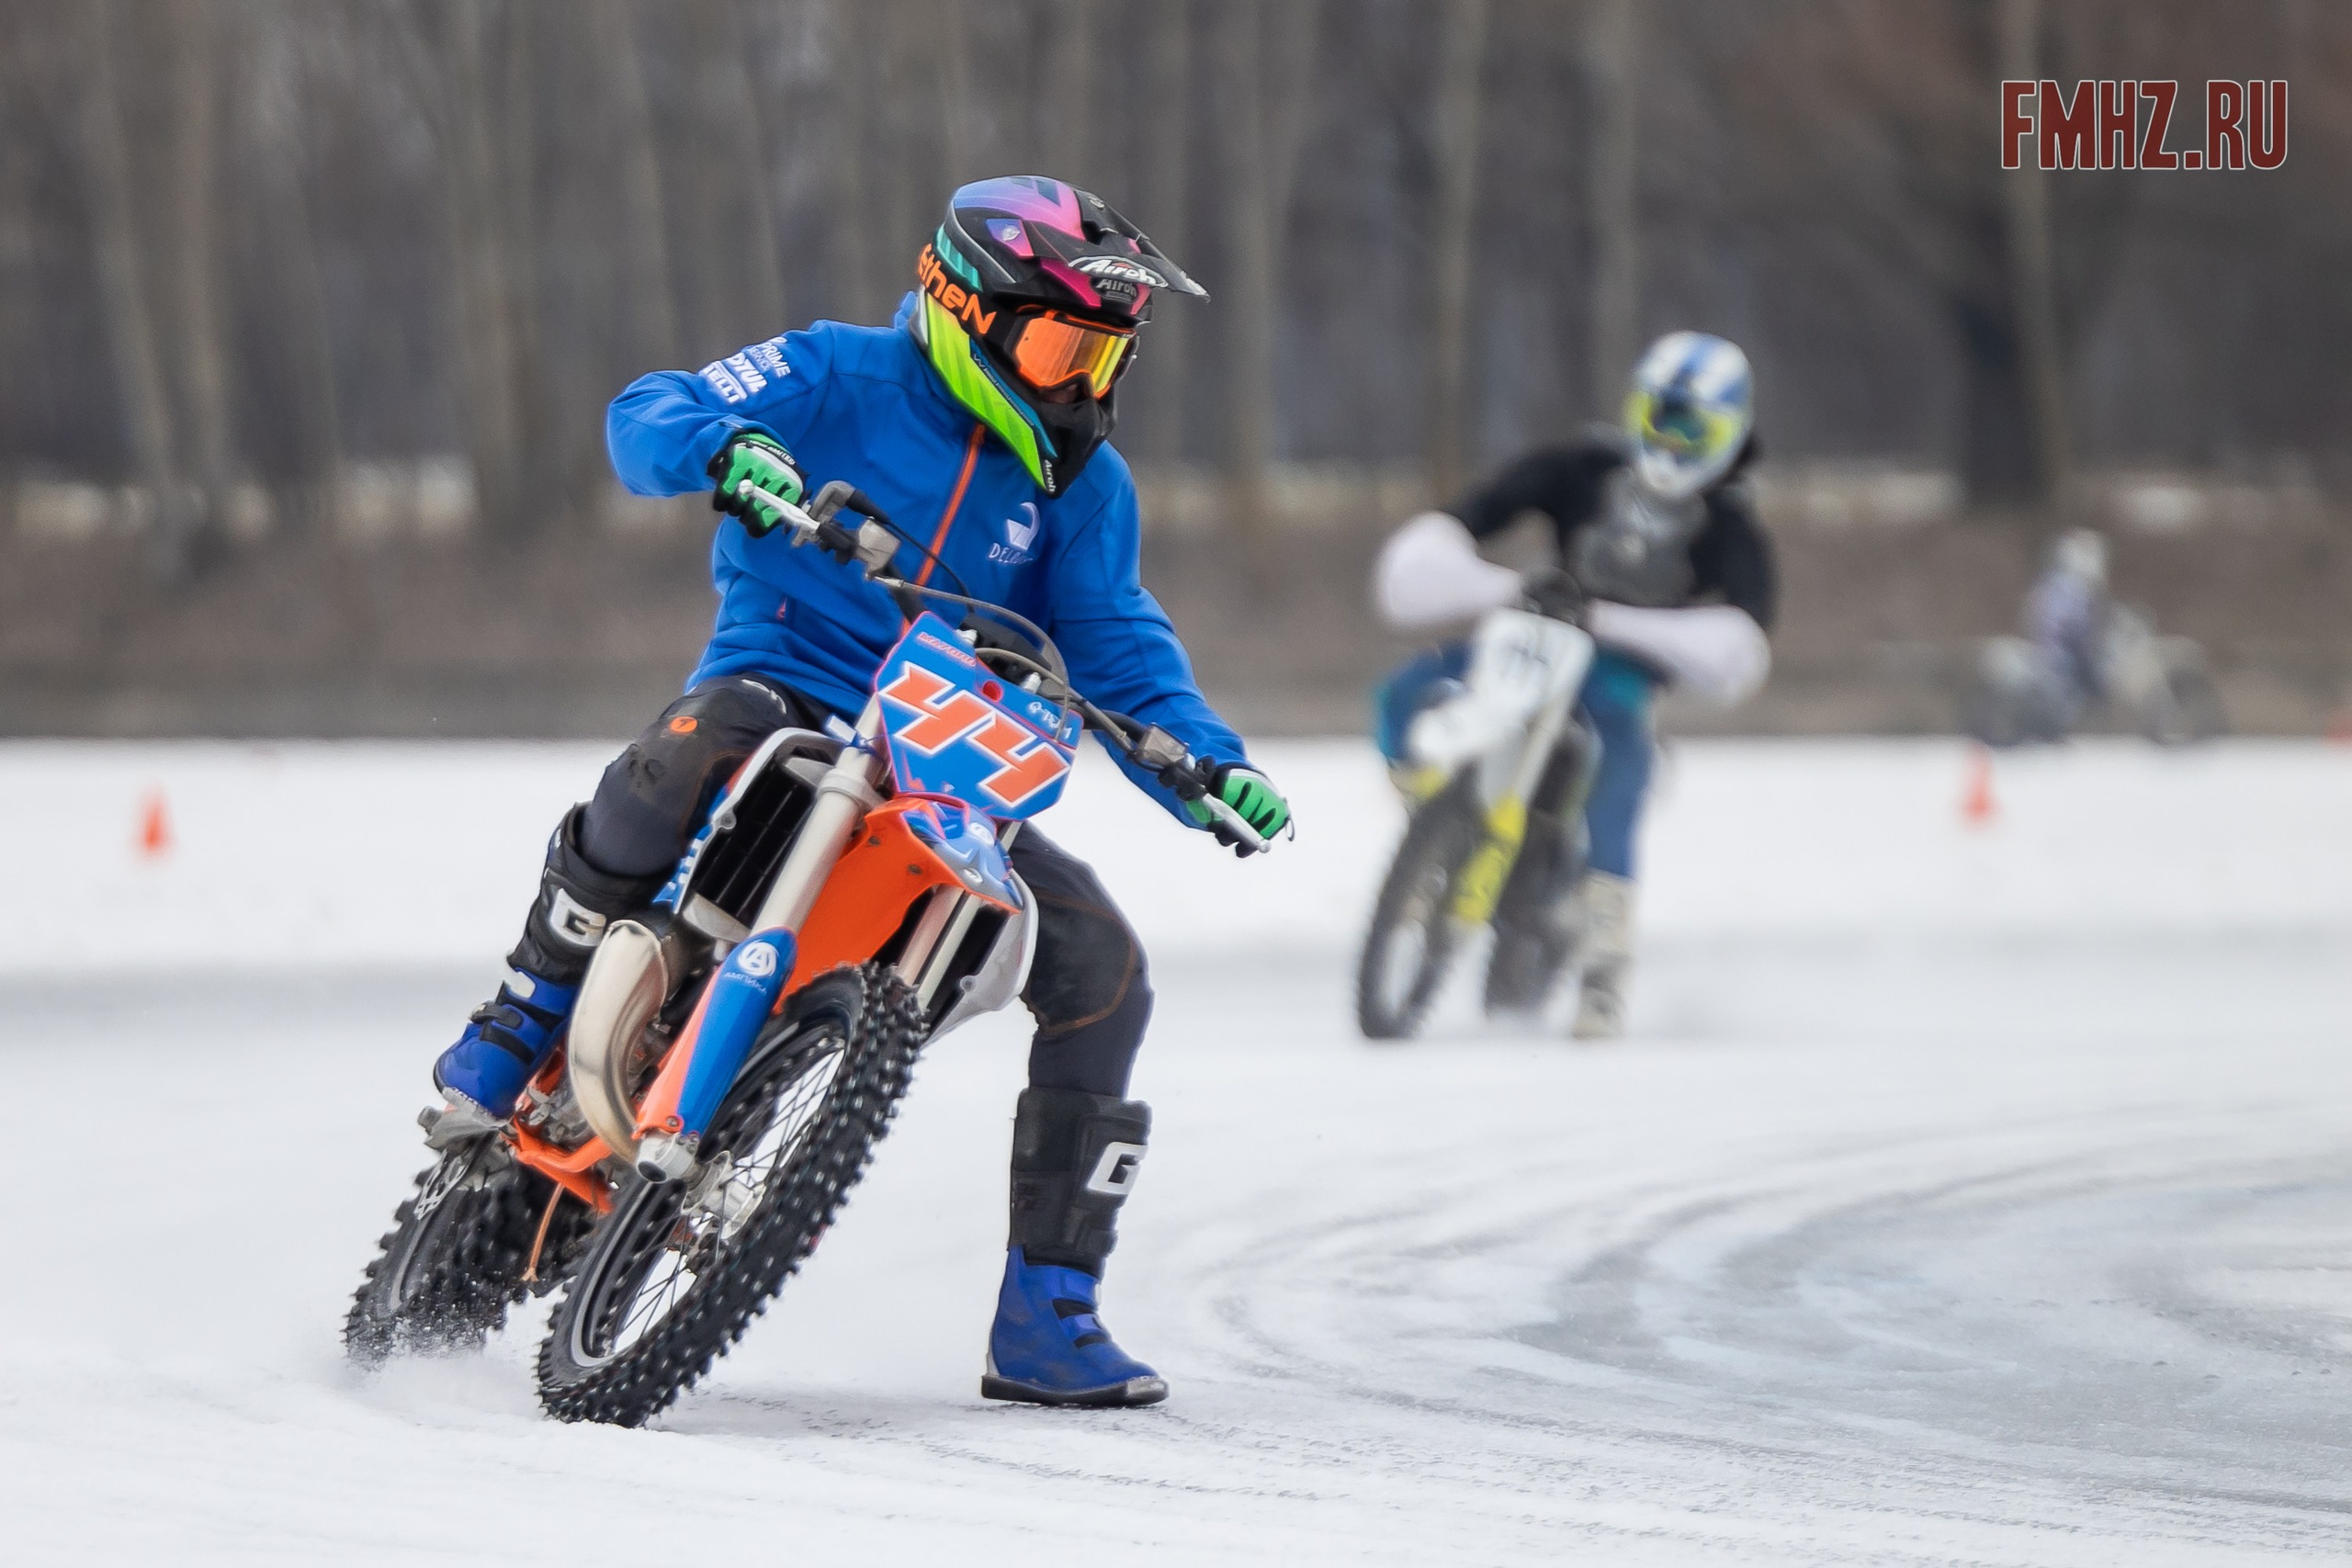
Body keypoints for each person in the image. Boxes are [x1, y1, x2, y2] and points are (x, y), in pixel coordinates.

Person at [426, 175, 1291, 1409]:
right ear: (964, 307)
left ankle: (1049, 1312)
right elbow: (647, 410)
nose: (1078, 381)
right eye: (1059, 342)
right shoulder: (837, 372)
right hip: (784, 683)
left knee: (1106, 970)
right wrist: (729, 450)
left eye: (1105, 355)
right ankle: (523, 1014)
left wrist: (1212, 761)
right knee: (685, 753)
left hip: (941, 758)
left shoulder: (1085, 487)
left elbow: (1119, 642)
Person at [1369, 332, 1775, 1038]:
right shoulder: (1581, 468)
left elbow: (1744, 640)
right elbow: (1477, 512)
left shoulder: (1732, 527)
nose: (1673, 444)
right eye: (1662, 420)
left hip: (1617, 675)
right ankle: (1424, 826)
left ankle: (1605, 963)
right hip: (1531, 631)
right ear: (1636, 411)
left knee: (1619, 774)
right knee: (1403, 693)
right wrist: (1458, 557)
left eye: (1694, 429)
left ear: (1728, 434)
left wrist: (1629, 626)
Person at [2027, 527, 2110, 715]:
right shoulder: (2071, 588)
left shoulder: (2050, 584)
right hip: (2061, 653)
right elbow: (2072, 624)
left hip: (2049, 649)